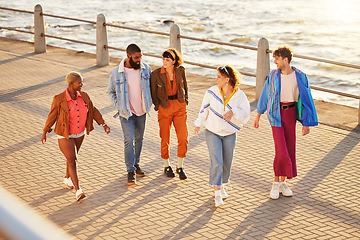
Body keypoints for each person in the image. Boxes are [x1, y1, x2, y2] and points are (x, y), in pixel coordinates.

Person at [254, 46, 318, 200]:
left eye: (277, 58)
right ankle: (275, 183)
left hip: (291, 113)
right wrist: (258, 114)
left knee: (289, 149)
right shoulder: (273, 76)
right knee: (281, 151)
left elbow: (307, 100)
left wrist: (306, 123)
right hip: (276, 113)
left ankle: (283, 183)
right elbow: (265, 95)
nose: (275, 61)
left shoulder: (300, 76)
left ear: (285, 59)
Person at [41, 71, 110, 201]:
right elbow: (52, 115)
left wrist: (103, 124)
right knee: (72, 159)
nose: (82, 85)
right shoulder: (59, 99)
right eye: (79, 83)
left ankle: (67, 179)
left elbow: (93, 110)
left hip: (79, 134)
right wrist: (45, 131)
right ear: (71, 84)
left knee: (71, 158)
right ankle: (78, 190)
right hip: (64, 134)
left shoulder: (84, 96)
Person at [194, 65, 250, 207]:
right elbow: (204, 109)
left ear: (227, 79)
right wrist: (198, 124)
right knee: (216, 161)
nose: (216, 79)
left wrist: (234, 112)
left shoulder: (239, 95)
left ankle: (222, 185)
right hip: (212, 131)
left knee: (227, 162)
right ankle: (217, 193)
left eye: (219, 76)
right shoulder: (212, 92)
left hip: (230, 133)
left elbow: (246, 113)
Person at [107, 44, 152, 186]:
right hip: (126, 113)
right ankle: (130, 171)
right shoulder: (117, 73)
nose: (139, 60)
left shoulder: (145, 69)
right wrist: (119, 106)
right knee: (129, 140)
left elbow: (151, 87)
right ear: (128, 56)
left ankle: (136, 163)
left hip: (142, 111)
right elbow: (110, 92)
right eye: (136, 57)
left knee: (139, 139)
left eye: (140, 57)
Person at [150, 48, 189, 180]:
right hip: (165, 109)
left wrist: (185, 101)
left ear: (174, 61)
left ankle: (180, 166)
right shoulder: (156, 74)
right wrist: (158, 106)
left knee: (183, 137)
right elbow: (153, 93)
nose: (164, 62)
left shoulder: (180, 71)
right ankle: (167, 165)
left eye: (167, 60)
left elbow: (186, 87)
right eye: (163, 59)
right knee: (165, 138)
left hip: (179, 107)